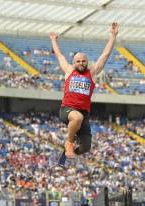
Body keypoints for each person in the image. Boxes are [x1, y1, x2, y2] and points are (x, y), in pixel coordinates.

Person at [50, 22, 119, 167]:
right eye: (78, 61)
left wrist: (113, 35)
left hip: (84, 113)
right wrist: (53, 40)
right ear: (74, 62)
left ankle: (65, 154)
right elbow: (60, 56)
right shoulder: (69, 71)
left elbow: (105, 55)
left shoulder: (92, 72)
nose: (81, 63)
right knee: (77, 117)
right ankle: (69, 142)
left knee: (85, 147)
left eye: (83, 61)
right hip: (67, 110)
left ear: (87, 62)